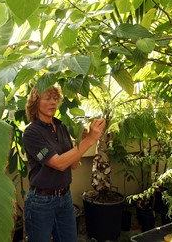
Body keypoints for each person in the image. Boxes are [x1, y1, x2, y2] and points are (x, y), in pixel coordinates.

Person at [22, 85, 106, 242]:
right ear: (35, 103)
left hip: (65, 198)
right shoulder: (31, 132)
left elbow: (72, 165)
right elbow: (59, 164)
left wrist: (79, 143)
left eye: (55, 98)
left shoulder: (61, 127)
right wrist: (90, 140)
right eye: (47, 98)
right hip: (41, 202)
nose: (53, 102)